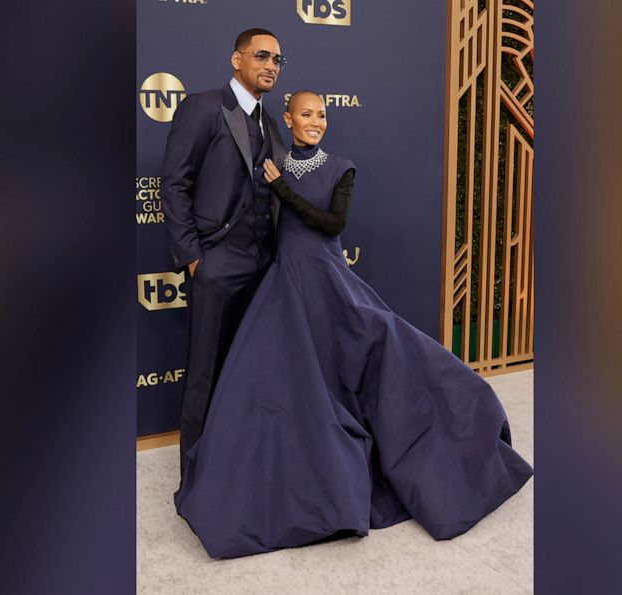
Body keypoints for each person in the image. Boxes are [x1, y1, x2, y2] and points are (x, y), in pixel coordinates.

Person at [173, 91, 534, 559]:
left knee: (379, 351)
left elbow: (331, 224)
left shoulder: (339, 166)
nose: (315, 122)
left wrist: (282, 188)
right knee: (277, 383)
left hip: (327, 280)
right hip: (283, 283)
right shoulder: (272, 160)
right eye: (305, 114)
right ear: (288, 118)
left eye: (322, 115)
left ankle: (451, 435)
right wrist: (208, 255)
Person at [160, 28, 287, 470]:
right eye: (262, 56)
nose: (271, 65)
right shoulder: (204, 106)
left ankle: (234, 468)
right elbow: (175, 183)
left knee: (248, 371)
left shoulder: (271, 124)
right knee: (204, 373)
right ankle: (194, 475)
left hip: (262, 265)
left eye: (277, 60)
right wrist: (194, 258)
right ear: (237, 60)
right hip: (215, 261)